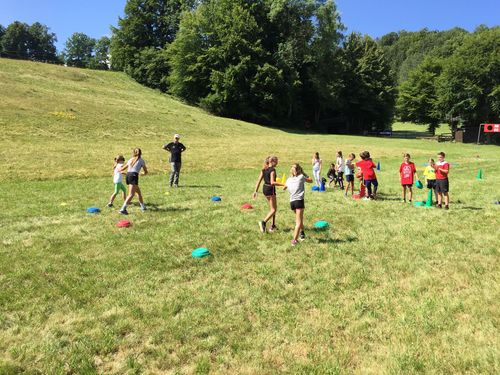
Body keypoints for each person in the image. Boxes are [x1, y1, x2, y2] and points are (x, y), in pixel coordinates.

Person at [252, 156, 284, 233]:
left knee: (273, 208)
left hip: (265, 189)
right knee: (274, 209)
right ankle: (263, 222)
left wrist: (255, 191)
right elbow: (272, 182)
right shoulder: (272, 170)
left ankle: (273, 225)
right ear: (272, 161)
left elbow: (259, 180)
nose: (277, 163)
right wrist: (283, 184)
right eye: (276, 161)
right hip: (270, 189)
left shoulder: (264, 169)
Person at [283, 163, 313, 246]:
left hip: (292, 202)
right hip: (299, 201)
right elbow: (311, 180)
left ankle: (302, 232)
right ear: (300, 170)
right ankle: (294, 240)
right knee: (298, 222)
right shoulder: (302, 177)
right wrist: (303, 173)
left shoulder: (289, 179)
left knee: (299, 219)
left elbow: (284, 188)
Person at [119, 148, 148, 215]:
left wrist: (119, 170)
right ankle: (123, 209)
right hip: (134, 176)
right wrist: (143, 173)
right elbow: (146, 171)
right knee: (131, 194)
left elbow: (122, 169)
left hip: (128, 176)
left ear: (133, 153)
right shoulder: (141, 160)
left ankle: (143, 207)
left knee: (138, 193)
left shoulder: (130, 160)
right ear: (141, 153)